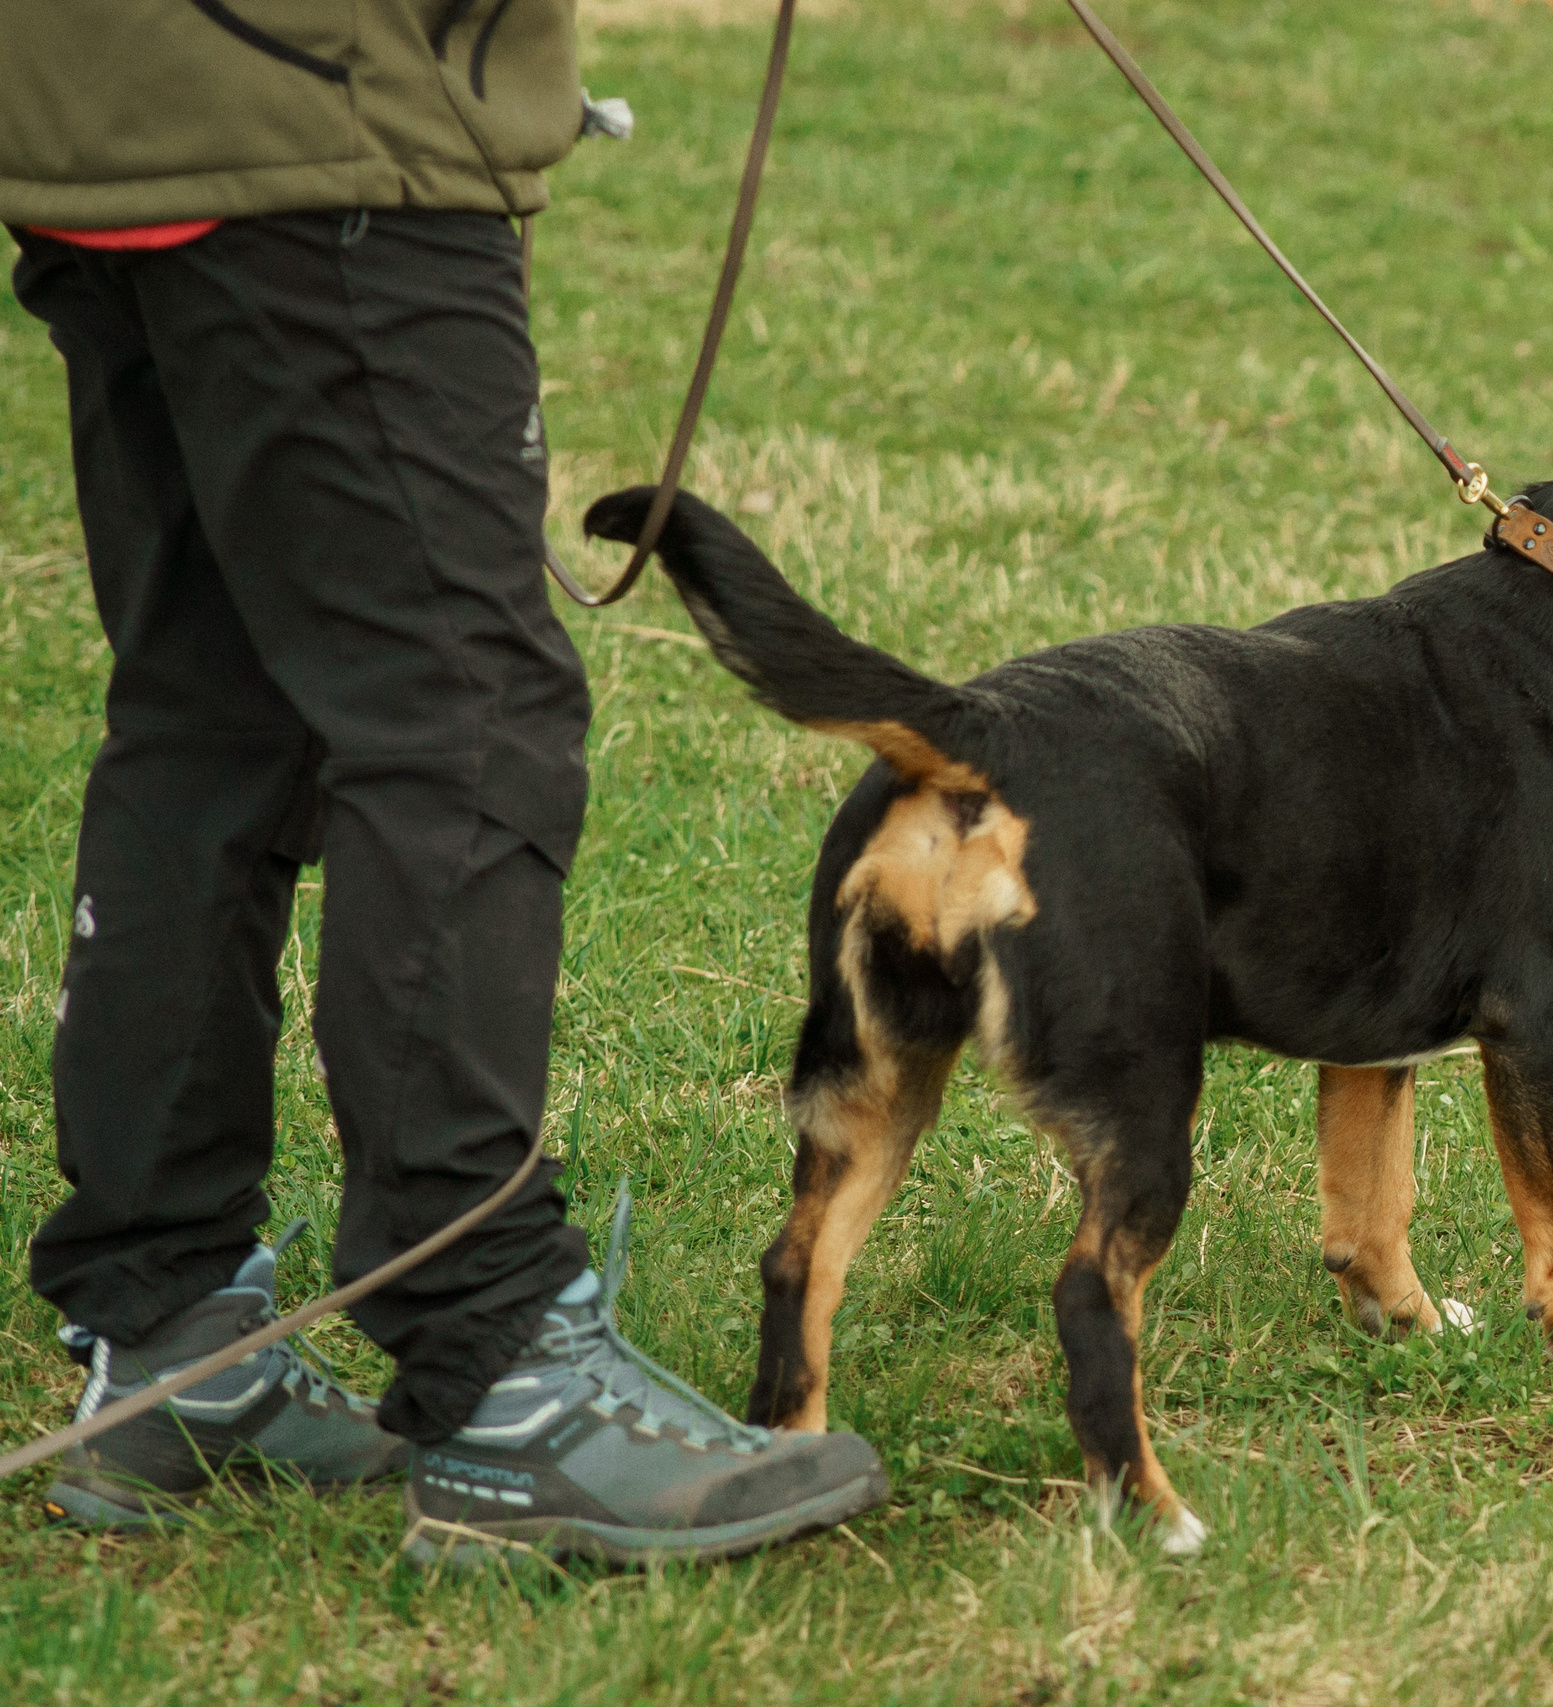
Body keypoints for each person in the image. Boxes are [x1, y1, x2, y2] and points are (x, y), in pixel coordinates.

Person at [0, 0, 885, 1564]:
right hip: (319, 105)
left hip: (112, 110)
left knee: (214, 714)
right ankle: (497, 1372)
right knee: (462, 712)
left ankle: (166, 1341)